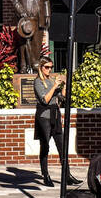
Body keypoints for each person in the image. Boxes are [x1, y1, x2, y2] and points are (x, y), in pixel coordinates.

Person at [32, 57, 78, 187]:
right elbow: (45, 100)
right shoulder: (38, 82)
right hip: (44, 117)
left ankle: (67, 176)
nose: (49, 69)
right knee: (45, 146)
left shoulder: (51, 80)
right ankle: (45, 175)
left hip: (55, 116)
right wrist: (54, 86)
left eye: (51, 67)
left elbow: (61, 97)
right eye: (47, 67)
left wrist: (65, 84)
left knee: (62, 147)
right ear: (41, 68)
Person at [12, 0, 50, 73]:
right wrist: (22, 12)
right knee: (23, 44)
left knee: (37, 43)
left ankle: (35, 63)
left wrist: (47, 15)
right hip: (24, 20)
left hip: (38, 18)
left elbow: (46, 0)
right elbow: (15, 0)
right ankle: (23, 65)